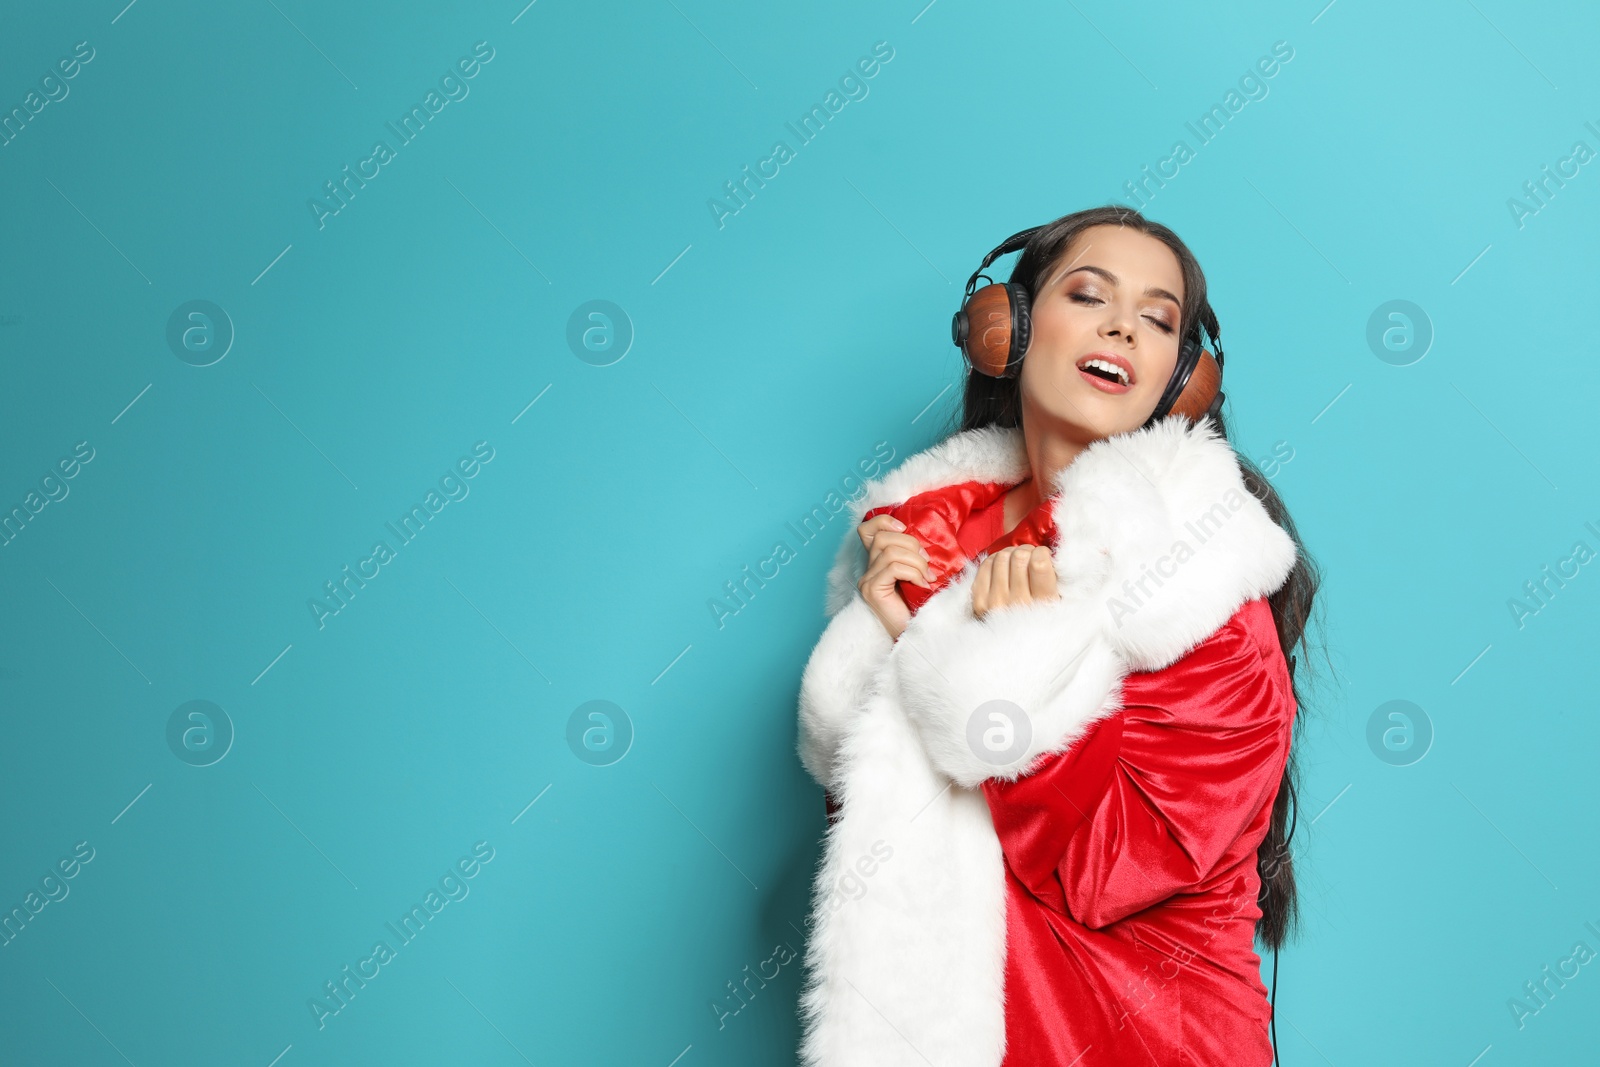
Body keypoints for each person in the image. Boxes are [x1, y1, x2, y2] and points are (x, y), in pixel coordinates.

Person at [794, 205, 1323, 1066]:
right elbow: (890, 836)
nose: (1123, 324)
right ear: (1008, 328)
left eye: (1158, 319)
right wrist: (900, 630)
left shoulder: (1201, 587)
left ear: (1181, 378)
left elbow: (1108, 866)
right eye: (1089, 294)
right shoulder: (934, 546)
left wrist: (975, 663)